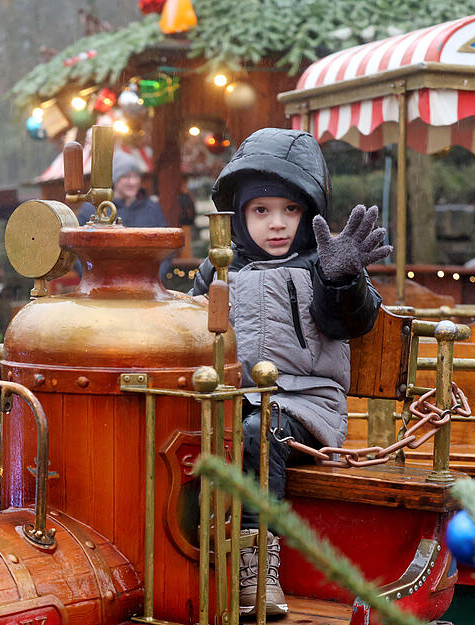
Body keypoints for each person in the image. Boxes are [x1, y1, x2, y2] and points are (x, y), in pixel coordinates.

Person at [189, 128, 388, 616]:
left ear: (309, 214)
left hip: (304, 405)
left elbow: (350, 321)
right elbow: (189, 333)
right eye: (261, 211)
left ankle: (258, 571)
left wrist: (343, 281)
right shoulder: (218, 268)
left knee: (260, 433)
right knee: (189, 437)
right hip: (231, 399)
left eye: (290, 210)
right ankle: (187, 556)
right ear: (239, 215)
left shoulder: (324, 263)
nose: (276, 224)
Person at [77, 152, 168, 228]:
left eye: (136, 176)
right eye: (126, 177)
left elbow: (165, 243)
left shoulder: (152, 208)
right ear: (114, 179)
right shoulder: (94, 208)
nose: (132, 182)